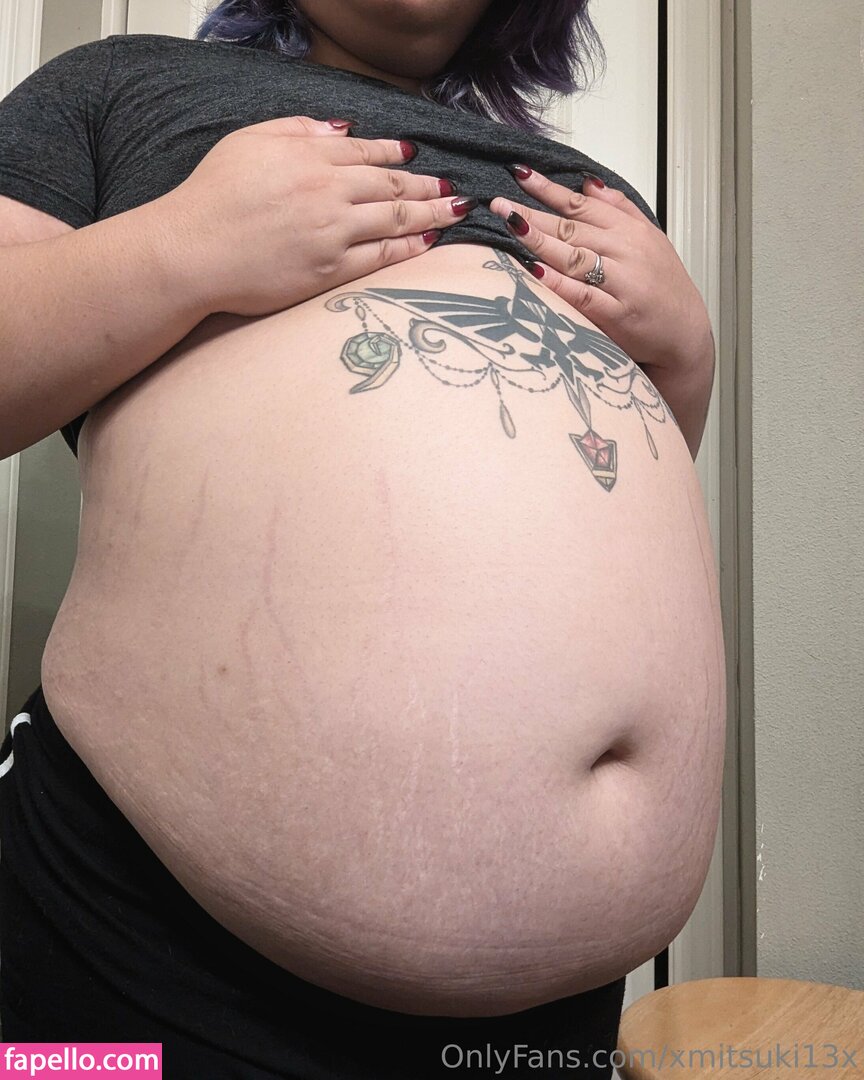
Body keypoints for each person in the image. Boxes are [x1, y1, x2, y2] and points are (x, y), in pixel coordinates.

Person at [0, 1, 724, 1077]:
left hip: (555, 1017)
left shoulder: (583, 191)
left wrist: (689, 359)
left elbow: (620, 492)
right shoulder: (118, 85)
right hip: (146, 940)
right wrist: (181, 246)